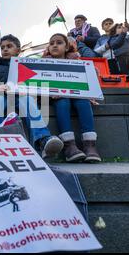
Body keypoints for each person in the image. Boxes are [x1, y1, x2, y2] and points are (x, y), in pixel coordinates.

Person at [0, 34, 63, 159]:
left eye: (9, 46)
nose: (5, 49)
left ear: (18, 50)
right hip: (1, 95)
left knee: (28, 100)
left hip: (22, 96)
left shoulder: (28, 64)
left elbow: (38, 82)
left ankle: (43, 139)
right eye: (2, 47)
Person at [46, 33, 101, 163]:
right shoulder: (42, 63)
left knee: (83, 102)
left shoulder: (77, 62)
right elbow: (39, 85)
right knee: (63, 103)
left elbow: (90, 77)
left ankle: (90, 145)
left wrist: (90, 95)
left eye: (59, 43)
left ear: (66, 47)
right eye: (51, 43)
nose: (54, 45)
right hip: (56, 97)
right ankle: (69, 145)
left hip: (77, 95)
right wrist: (49, 93)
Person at [109, 22, 129, 87]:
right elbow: (117, 43)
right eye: (119, 28)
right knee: (124, 75)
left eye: (122, 27)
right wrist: (123, 33)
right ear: (114, 31)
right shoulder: (112, 39)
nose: (122, 28)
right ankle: (126, 89)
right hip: (120, 59)